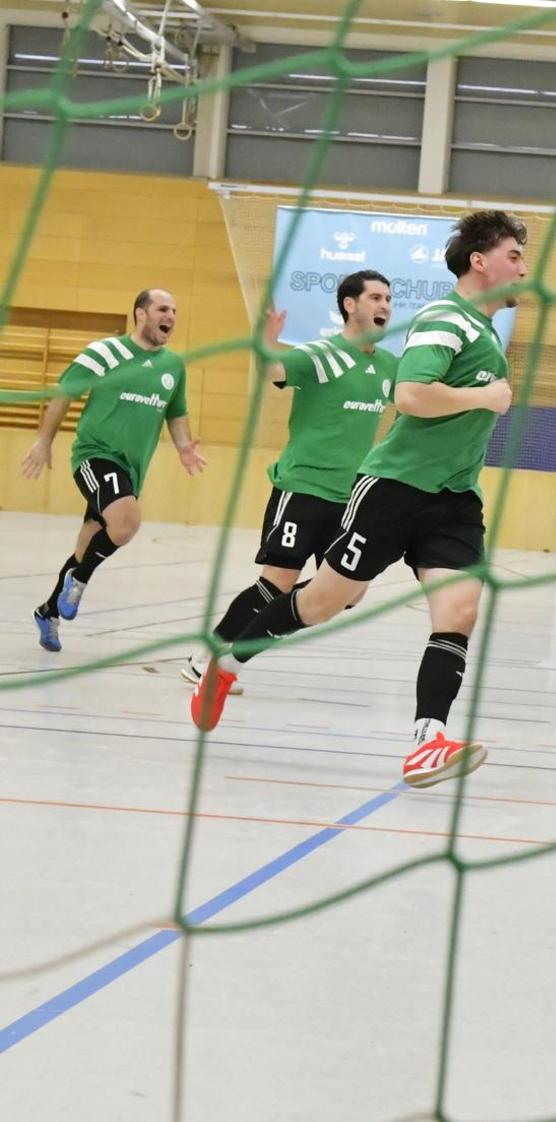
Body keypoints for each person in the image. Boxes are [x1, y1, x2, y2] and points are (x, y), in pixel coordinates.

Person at [189, 210, 526, 790]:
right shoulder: (447, 318)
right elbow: (413, 395)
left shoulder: (484, 332)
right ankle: (226, 661)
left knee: (460, 613)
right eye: (515, 255)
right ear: (480, 260)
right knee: (320, 602)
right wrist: (486, 397)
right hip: (394, 489)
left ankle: (427, 741)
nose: (524, 267)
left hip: (454, 498)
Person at [183, 271, 397, 687]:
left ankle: (247, 639)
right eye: (375, 297)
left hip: (350, 497)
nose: (385, 305)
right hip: (303, 488)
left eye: (389, 298)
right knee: (277, 580)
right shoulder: (321, 354)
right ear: (350, 305)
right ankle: (209, 654)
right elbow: (272, 369)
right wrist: (263, 344)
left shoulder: (390, 365)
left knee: (349, 594)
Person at [21, 288, 205, 651]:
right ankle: (81, 580)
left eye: (174, 311)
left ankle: (48, 612)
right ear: (141, 313)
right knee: (127, 522)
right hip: (95, 455)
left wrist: (184, 446)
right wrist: (44, 440)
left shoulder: (173, 365)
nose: (170, 316)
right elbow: (64, 393)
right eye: (162, 309)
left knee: (86, 546)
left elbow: (176, 412)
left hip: (132, 470)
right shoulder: (106, 352)